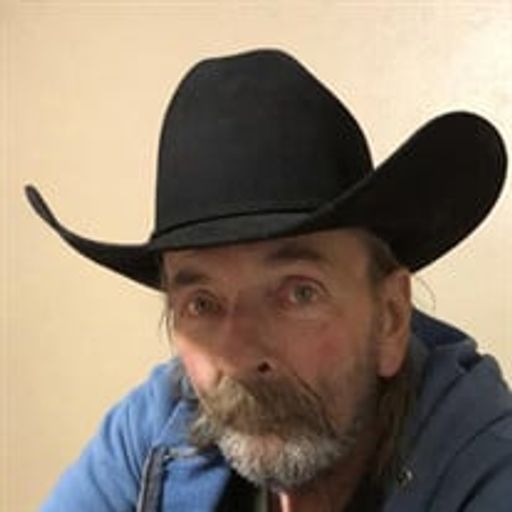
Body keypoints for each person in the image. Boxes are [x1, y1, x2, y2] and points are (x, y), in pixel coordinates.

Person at [26, 49, 511, 511]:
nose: (239, 356)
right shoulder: (159, 422)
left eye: (299, 292)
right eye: (201, 303)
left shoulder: (486, 467)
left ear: (389, 319)